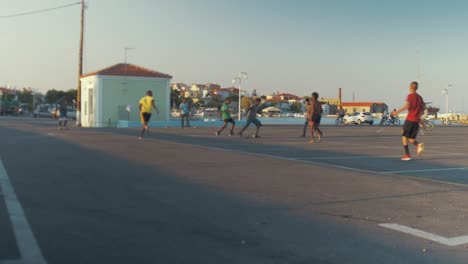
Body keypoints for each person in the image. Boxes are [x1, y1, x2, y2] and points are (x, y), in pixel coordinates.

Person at [392, 81, 425, 161]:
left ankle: (407, 155)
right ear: (416, 88)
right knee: (410, 138)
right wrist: (420, 120)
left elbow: (408, 106)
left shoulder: (410, 96)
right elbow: (422, 110)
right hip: (416, 121)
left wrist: (397, 112)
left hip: (410, 119)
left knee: (404, 136)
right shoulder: (420, 98)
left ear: (410, 87)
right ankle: (418, 145)